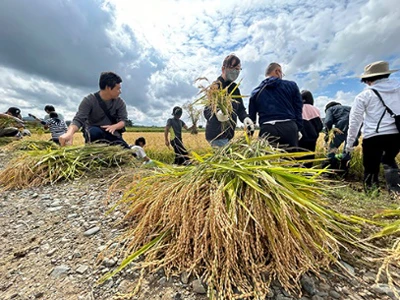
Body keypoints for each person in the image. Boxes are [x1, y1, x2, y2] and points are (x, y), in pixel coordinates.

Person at [346, 61, 400, 193]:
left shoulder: (364, 96)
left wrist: (350, 144)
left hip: (373, 137)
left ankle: (371, 194)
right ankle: (396, 192)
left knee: (371, 167)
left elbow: (355, 121)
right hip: (397, 134)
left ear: (368, 79)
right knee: (389, 161)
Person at [59, 72, 130, 149]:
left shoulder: (119, 102)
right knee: (94, 131)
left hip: (112, 134)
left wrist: (115, 126)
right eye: (118, 89)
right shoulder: (89, 100)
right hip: (94, 134)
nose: (120, 92)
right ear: (108, 88)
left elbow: (123, 120)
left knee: (130, 154)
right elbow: (78, 120)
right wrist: (69, 133)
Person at [248, 62, 303, 150]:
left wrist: (249, 136)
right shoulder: (291, 86)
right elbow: (298, 108)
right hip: (289, 127)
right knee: (290, 161)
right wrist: (298, 128)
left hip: (267, 129)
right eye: (282, 73)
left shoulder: (256, 92)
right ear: (277, 71)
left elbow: (251, 119)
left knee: (268, 161)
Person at [204, 54, 254, 147]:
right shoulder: (216, 86)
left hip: (228, 135)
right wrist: (217, 114)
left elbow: (240, 109)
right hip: (216, 136)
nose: (236, 71)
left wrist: (245, 118)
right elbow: (207, 110)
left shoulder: (235, 88)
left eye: (238, 69)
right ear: (223, 68)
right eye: (233, 67)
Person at [299, 90, 323, 168]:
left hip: (300, 139)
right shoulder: (316, 110)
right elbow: (320, 126)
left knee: (298, 159)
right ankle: (308, 176)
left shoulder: (297, 108)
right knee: (309, 159)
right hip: (312, 139)